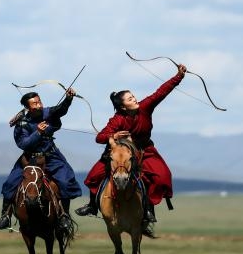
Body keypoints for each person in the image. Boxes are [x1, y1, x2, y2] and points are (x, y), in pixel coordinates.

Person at [76, 64, 186, 237]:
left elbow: (161, 92)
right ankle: (92, 205)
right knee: (94, 175)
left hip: (144, 150)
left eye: (133, 96)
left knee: (162, 175)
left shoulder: (145, 107)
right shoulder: (117, 119)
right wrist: (113, 134)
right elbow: (99, 137)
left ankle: (148, 209)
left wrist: (179, 76)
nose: (134, 99)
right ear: (123, 106)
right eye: (129, 99)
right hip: (122, 153)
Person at [0, 89, 82, 234]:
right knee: (11, 183)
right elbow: (23, 144)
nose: (39, 105)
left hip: (51, 156)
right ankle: (5, 216)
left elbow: (60, 109)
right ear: (27, 108)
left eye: (39, 101)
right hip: (29, 159)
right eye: (34, 103)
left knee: (66, 180)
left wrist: (68, 99)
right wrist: (38, 133)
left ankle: (64, 215)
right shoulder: (21, 123)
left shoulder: (48, 112)